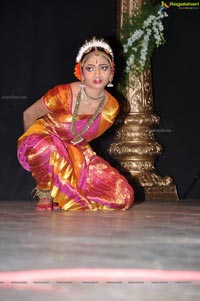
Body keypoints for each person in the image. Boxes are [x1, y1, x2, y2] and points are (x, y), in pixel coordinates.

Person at [17, 37, 134, 211]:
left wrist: (73, 159)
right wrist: (31, 148)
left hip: (76, 151)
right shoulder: (63, 94)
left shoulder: (111, 108)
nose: (97, 74)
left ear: (111, 74)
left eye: (103, 68)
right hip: (44, 140)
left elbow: (82, 139)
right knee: (46, 147)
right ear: (80, 72)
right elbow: (28, 114)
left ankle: (65, 189)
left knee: (123, 196)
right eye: (90, 68)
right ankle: (46, 193)